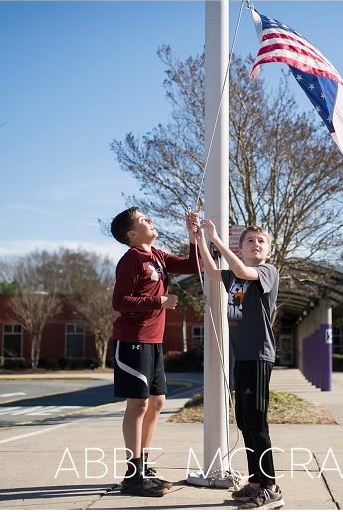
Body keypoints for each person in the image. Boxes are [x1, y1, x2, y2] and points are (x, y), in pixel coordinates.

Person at [110, 206, 200, 497]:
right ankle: (133, 474)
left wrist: (193, 236)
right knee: (138, 404)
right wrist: (160, 301)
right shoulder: (131, 259)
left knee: (157, 402)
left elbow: (193, 266)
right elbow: (119, 301)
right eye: (142, 219)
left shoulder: (157, 255)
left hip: (153, 340)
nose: (150, 219)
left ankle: (144, 465)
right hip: (133, 339)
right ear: (132, 234)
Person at [195, 219, 284, 511]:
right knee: (245, 420)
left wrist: (216, 238)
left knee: (256, 420)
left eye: (261, 242)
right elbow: (210, 271)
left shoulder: (266, 271)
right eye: (250, 241)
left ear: (268, 253)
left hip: (259, 355)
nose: (255, 244)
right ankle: (256, 482)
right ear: (241, 248)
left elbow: (243, 270)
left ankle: (271, 485)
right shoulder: (233, 277)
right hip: (241, 356)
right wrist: (198, 238)